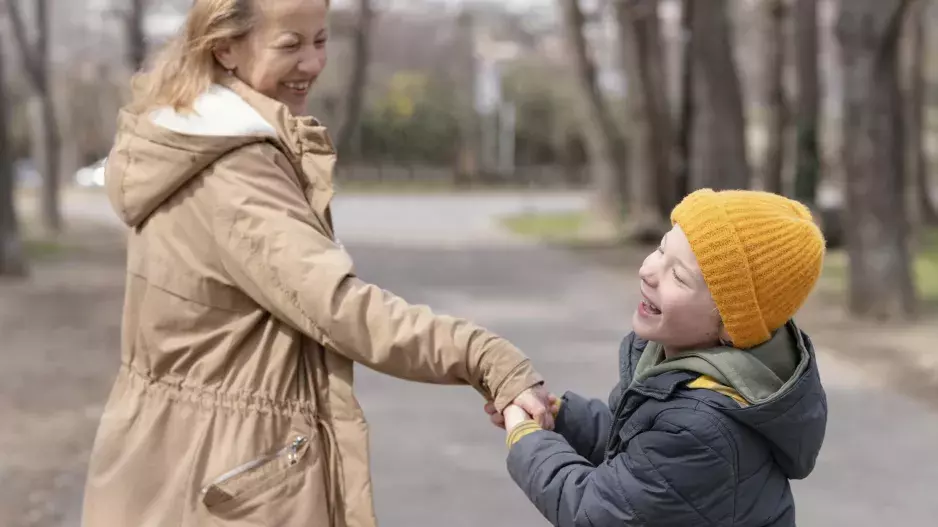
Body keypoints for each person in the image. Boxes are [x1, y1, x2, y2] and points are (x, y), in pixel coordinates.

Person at [81, 1, 553, 526]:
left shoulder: (192, 139)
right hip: (230, 472)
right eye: (290, 45)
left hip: (170, 455)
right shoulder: (234, 170)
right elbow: (338, 308)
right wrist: (486, 358)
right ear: (225, 47)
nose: (312, 63)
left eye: (321, 41)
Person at [487, 189, 828, 526]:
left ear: (731, 325)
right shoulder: (686, 370)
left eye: (678, 275)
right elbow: (639, 447)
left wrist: (526, 436)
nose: (648, 271)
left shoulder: (702, 428)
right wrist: (559, 415)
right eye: (662, 248)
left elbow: (594, 510)